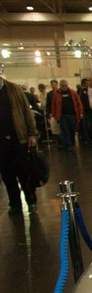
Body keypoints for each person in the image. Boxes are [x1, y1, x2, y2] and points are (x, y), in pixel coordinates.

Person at [0, 74, 38, 214]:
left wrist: (32, 133)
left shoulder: (14, 89)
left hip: (18, 138)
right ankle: (14, 204)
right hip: (1, 142)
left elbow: (27, 112)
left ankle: (31, 200)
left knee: (24, 172)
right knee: (7, 174)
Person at [50, 78, 83, 151]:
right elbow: (54, 105)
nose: (64, 87)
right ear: (60, 86)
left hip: (72, 115)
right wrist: (54, 114)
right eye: (63, 86)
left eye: (65, 86)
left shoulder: (73, 92)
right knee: (65, 130)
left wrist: (80, 112)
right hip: (62, 115)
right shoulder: (56, 93)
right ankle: (68, 144)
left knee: (72, 129)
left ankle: (72, 143)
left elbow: (78, 103)